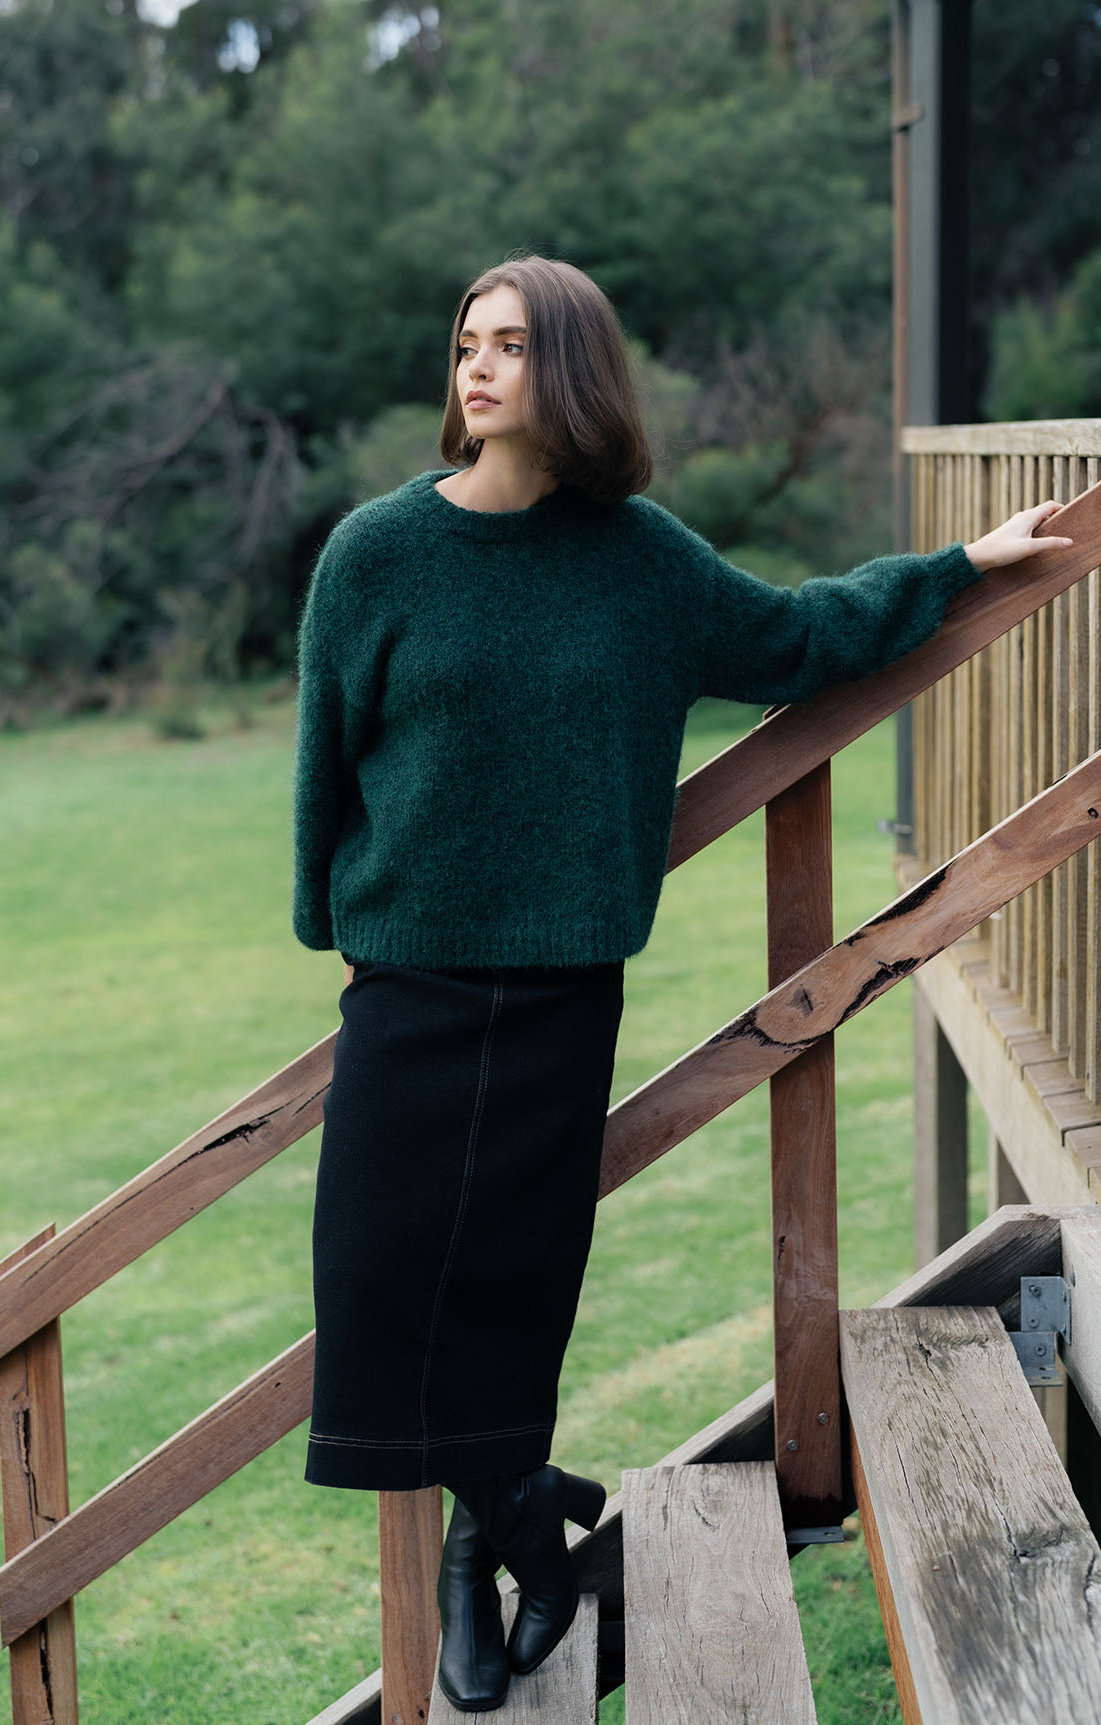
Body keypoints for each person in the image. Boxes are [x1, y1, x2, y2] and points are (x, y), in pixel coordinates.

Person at [292, 253, 1072, 1712]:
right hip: (405, 979)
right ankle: (530, 1516)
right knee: (377, 1276)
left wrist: (966, 566)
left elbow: (795, 634)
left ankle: (484, 1544)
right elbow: (323, 764)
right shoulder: (373, 557)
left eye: (511, 345)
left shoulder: (635, 562)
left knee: (519, 1282)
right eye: (464, 341)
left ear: (569, 370)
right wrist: (328, 918)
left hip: (562, 984)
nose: (475, 367)